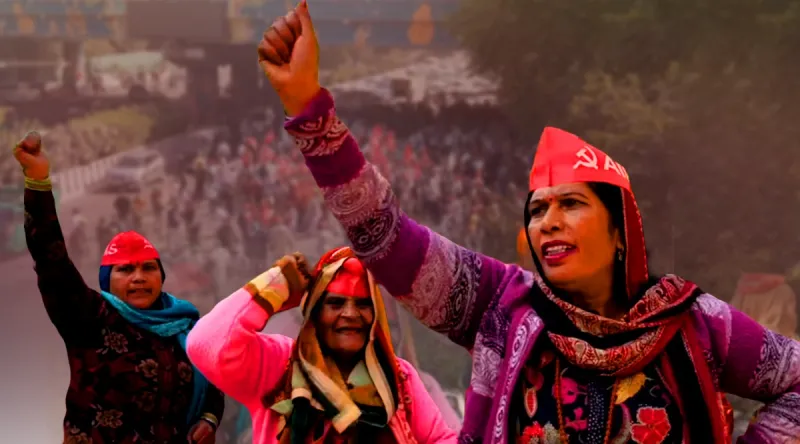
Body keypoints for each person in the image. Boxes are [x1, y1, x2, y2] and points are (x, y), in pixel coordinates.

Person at [257, 4, 800, 443]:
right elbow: (387, 240)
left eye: (571, 204)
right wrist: (309, 110)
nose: (548, 224)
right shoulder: (499, 305)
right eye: (537, 210)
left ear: (620, 232)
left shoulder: (695, 324)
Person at [14, 132, 225, 443]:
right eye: (125, 270)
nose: (138, 277)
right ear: (107, 282)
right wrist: (38, 182)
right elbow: (50, 259)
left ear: (161, 276)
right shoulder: (90, 318)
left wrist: (209, 418)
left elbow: (213, 382)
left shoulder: (187, 327)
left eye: (148, 268)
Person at [186, 247, 457, 444]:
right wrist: (277, 285)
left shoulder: (399, 377)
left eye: (363, 304)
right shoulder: (278, 364)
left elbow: (442, 438)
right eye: (336, 303)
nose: (350, 314)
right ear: (315, 311)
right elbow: (204, 343)